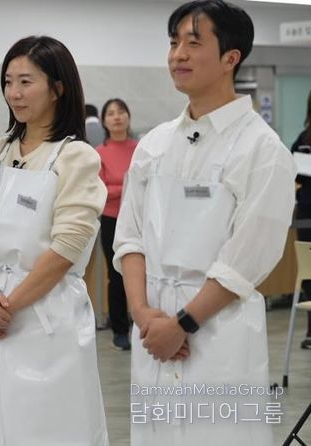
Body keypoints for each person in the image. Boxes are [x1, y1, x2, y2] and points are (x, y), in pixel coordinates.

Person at [113, 1, 296, 445]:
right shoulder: (154, 145)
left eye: (193, 43)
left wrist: (183, 324)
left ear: (231, 57)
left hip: (219, 332)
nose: (178, 54)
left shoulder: (262, 150)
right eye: (173, 42)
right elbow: (130, 238)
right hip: (154, 328)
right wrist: (143, 315)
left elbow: (247, 259)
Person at [0, 35, 109, 445]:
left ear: (57, 88)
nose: (14, 92)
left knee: (54, 426)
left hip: (49, 312)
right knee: (3, 423)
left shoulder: (76, 157)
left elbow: (67, 247)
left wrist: (9, 306)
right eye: (8, 82)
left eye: (26, 82)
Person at [96, 98, 137, 351]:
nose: (117, 117)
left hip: (139, 219)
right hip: (112, 219)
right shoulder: (98, 153)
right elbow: (99, 191)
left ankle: (143, 323)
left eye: (121, 111)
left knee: (143, 272)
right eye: (111, 113)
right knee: (116, 275)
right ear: (104, 121)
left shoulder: (141, 149)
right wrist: (128, 186)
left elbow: (149, 183)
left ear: (128, 117)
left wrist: (118, 187)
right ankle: (120, 330)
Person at [291, 89, 311, 350]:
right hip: (306, 214)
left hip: (306, 211)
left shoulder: (304, 139)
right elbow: (293, 172)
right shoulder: (304, 139)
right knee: (309, 274)